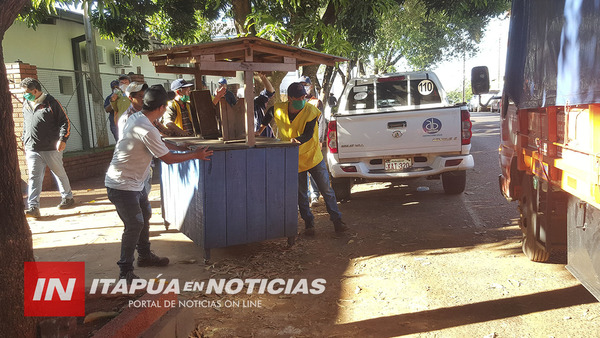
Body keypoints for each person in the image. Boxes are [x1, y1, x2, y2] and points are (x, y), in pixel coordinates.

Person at [105, 85, 213, 283]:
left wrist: (180, 145)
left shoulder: (139, 118)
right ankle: (125, 271)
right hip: (121, 184)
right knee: (134, 224)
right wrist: (195, 155)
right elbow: (168, 158)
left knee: (144, 215)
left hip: (133, 182)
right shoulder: (146, 127)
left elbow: (159, 142)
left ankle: (145, 256)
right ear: (162, 108)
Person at [257, 82, 348, 236]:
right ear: (290, 98)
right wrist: (259, 130)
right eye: (298, 97)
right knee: (301, 194)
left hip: (312, 157)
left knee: (326, 190)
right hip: (294, 159)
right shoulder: (279, 109)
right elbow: (269, 114)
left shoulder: (311, 111)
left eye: (303, 96)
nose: (302, 99)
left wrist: (296, 140)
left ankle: (337, 221)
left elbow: (307, 134)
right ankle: (309, 223)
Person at [21, 77, 75, 218]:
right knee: (34, 177)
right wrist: (24, 138)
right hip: (32, 148)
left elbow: (65, 122)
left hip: (51, 147)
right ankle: (33, 207)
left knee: (58, 172)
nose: (25, 95)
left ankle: (67, 197)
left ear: (35, 90)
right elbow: (26, 123)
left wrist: (63, 139)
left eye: (27, 92)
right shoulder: (26, 103)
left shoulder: (51, 102)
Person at [299, 76, 325, 207]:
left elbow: (321, 122)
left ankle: (315, 196)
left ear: (310, 86)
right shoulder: (296, 102)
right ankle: (305, 198)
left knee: (315, 170)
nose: (304, 86)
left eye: (306, 84)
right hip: (301, 143)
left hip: (313, 142)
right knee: (302, 172)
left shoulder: (316, 102)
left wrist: (320, 140)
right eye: (301, 84)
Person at [253, 72, 275, 137]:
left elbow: (270, 91)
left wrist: (263, 77)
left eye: (253, 91)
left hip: (266, 137)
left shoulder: (256, 102)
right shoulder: (239, 109)